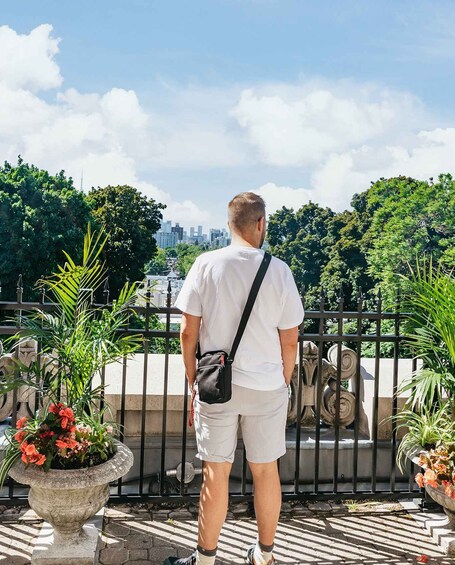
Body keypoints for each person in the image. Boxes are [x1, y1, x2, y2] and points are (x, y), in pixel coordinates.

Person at [168, 192, 304, 565]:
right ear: (261, 224)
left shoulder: (206, 264)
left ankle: (207, 558)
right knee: (265, 472)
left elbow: (187, 332)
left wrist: (194, 380)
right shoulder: (279, 271)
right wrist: (284, 380)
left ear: (229, 225)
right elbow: (289, 339)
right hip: (266, 387)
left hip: (217, 387)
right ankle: (264, 555)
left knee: (216, 472)